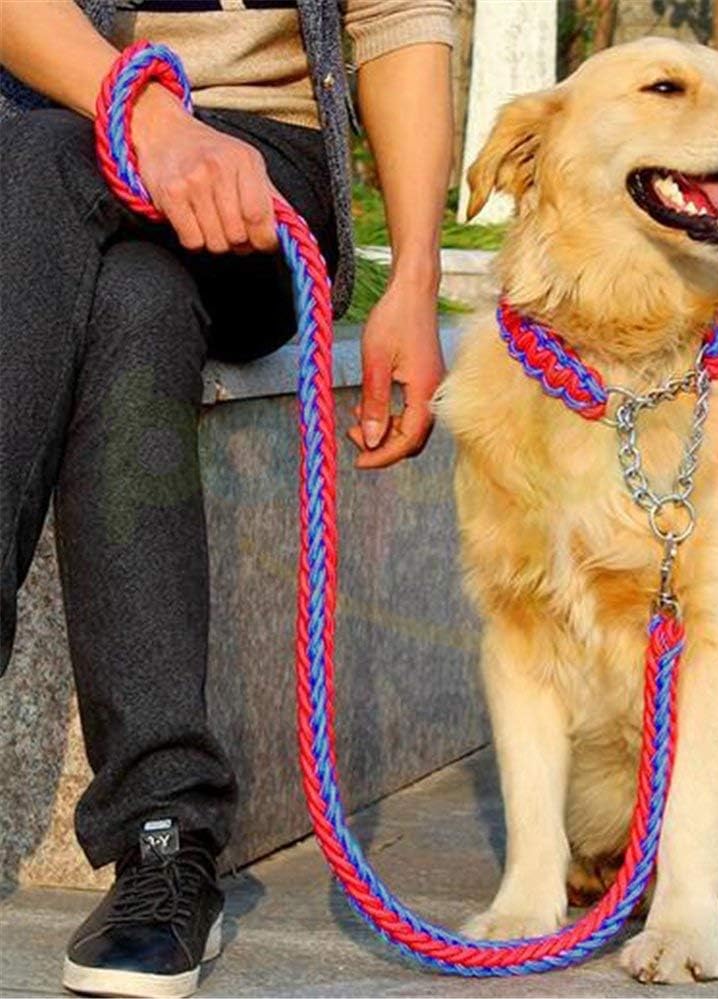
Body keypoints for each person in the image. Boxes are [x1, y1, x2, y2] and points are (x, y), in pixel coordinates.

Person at [0, 0, 453, 994]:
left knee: (36, 166)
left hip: (255, 171)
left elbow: (398, 18)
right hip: (51, 135)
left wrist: (412, 275)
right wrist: (143, 116)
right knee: (128, 293)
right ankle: (165, 836)